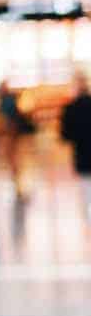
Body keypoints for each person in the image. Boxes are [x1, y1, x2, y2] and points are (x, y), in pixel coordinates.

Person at [0, 80, 37, 194]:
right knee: (15, 159)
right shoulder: (9, 100)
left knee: (15, 158)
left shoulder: (7, 101)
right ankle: (18, 182)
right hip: (13, 133)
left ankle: (19, 182)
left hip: (13, 133)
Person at [61, 76, 91, 216]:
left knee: (85, 189)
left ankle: (88, 218)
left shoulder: (70, 108)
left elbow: (65, 135)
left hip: (82, 155)